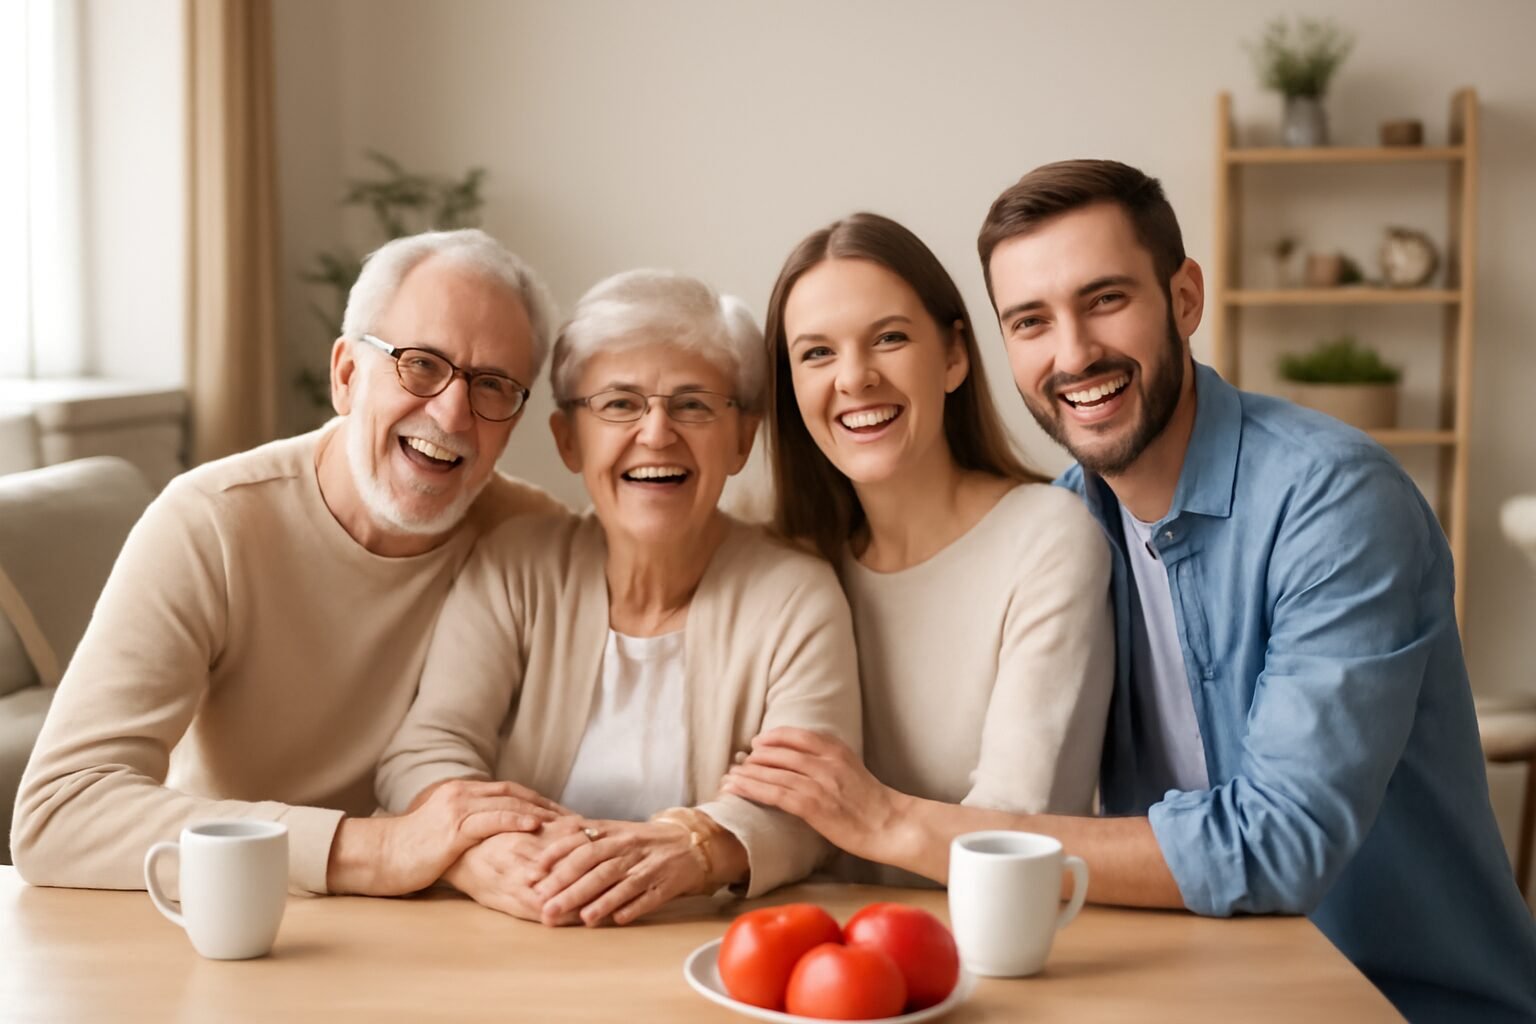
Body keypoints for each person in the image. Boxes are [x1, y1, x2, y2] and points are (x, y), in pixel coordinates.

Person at [12, 229, 569, 898]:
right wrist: (379, 850)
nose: (452, 413)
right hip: (245, 918)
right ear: (346, 375)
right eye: (420, 364)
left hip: (456, 920)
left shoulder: (536, 541)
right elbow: (58, 815)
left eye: (493, 386)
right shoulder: (210, 522)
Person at [375, 269, 862, 926]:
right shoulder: (515, 565)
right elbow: (427, 750)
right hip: (511, 934)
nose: (656, 433)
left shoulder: (794, 595)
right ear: (568, 440)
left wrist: (698, 848)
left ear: (742, 439)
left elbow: (809, 806)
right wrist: (483, 850)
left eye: (694, 405)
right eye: (619, 404)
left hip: (701, 946)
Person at [722, 213, 1113, 886]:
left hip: (996, 937)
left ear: (954, 356)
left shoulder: (1048, 536)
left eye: (889, 338)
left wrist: (865, 811)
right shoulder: (786, 556)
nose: (854, 378)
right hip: (825, 939)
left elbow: (1009, 829)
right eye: (817, 354)